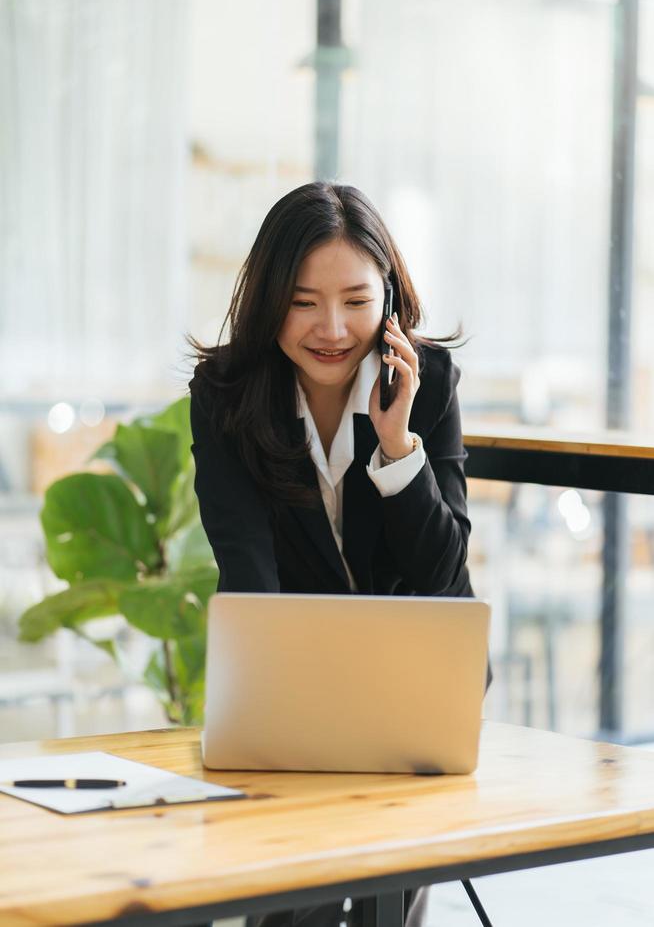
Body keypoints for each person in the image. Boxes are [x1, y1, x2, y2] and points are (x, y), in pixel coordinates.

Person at [189, 181, 478, 927]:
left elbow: (443, 575)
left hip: (417, 683)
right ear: (267, 300)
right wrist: (279, 704)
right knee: (292, 897)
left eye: (356, 300)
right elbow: (247, 571)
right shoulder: (226, 395)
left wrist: (396, 441)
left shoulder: (429, 381)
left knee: (392, 886)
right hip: (293, 681)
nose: (332, 327)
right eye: (302, 301)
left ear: (389, 295)